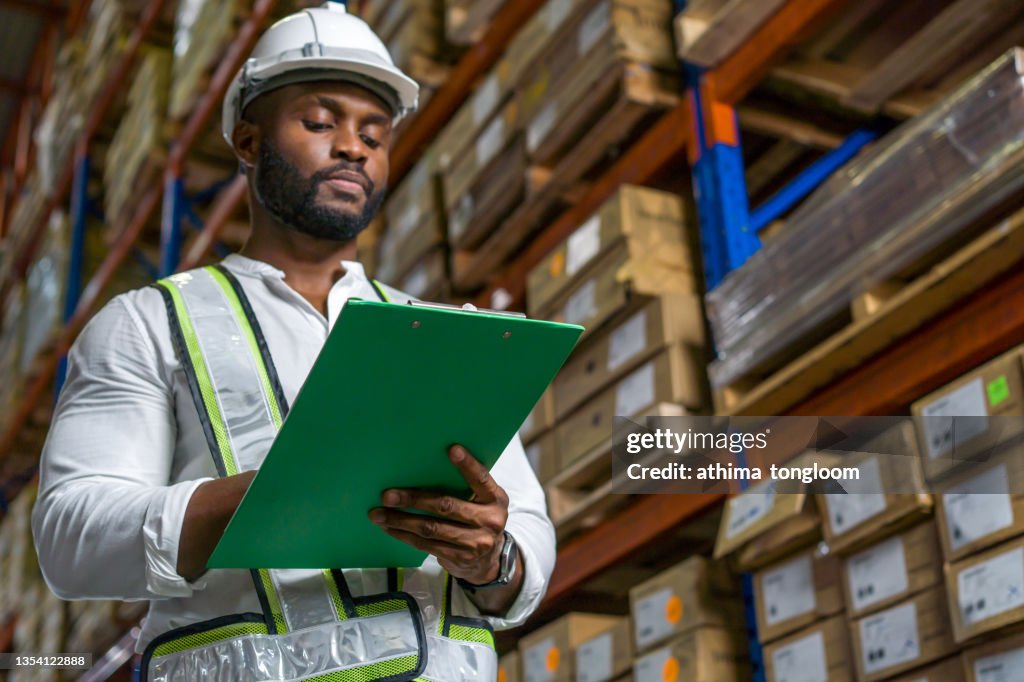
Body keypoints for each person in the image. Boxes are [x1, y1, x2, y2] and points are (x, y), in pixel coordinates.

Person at [32, 4, 555, 680]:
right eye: (319, 122)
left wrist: (495, 559)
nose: (353, 147)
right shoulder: (148, 323)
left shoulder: (440, 336)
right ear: (248, 144)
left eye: (375, 133)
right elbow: (72, 538)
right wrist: (273, 492)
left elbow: (529, 533)